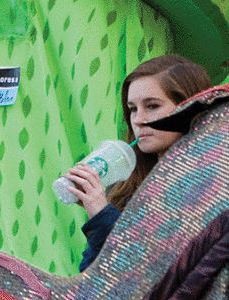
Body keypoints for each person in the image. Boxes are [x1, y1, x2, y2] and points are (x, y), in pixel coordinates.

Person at [62, 55, 211, 272]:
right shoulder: (125, 184)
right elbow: (90, 278)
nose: (138, 119)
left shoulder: (210, 185)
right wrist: (97, 212)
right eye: (132, 109)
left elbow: (159, 276)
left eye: (152, 106)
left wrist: (103, 216)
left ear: (189, 109)